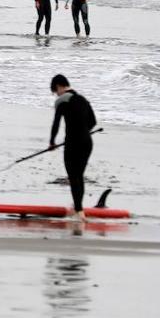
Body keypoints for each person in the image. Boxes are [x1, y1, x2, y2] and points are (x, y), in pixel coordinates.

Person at [48, 74, 97, 221]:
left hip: (72, 143)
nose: (56, 94)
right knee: (79, 176)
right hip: (87, 142)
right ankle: (78, 208)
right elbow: (93, 122)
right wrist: (83, 132)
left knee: (73, 176)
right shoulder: (83, 100)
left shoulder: (62, 100)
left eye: (55, 91)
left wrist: (52, 142)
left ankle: (79, 211)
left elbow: (56, 123)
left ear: (58, 86)